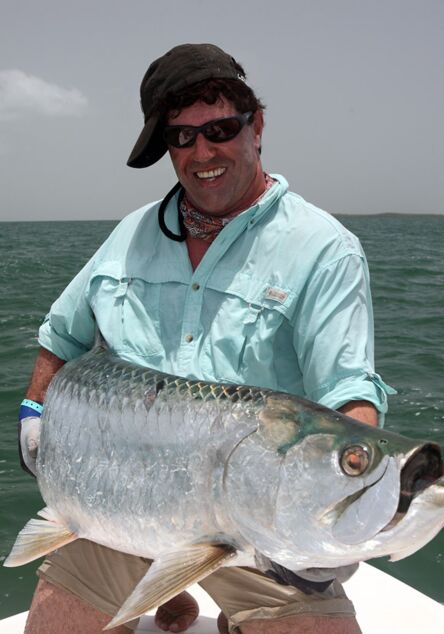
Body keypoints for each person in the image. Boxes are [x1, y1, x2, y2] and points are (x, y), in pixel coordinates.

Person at [18, 43, 393, 634]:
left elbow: (348, 388)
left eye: (220, 128)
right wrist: (33, 414)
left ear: (257, 125)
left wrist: (350, 486)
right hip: (124, 506)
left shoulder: (323, 248)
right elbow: (60, 336)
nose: (203, 152)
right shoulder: (129, 237)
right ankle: (169, 593)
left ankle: (224, 605)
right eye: (181, 137)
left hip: (259, 523)